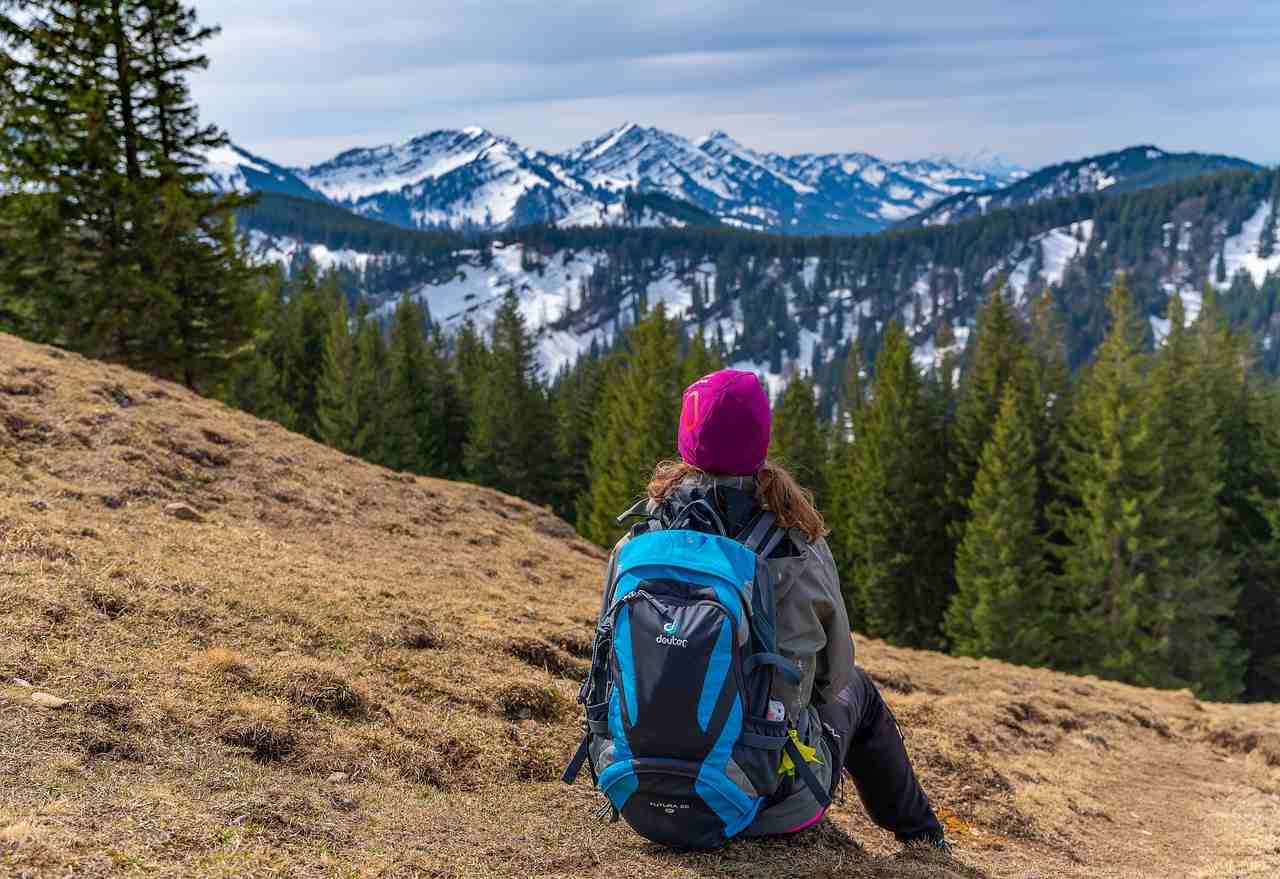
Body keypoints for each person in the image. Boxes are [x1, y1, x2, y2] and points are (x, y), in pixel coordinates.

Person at [625, 368, 948, 848]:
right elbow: (832, 678)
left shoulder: (639, 539)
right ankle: (924, 838)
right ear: (760, 438)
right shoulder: (796, 546)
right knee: (858, 690)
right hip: (765, 801)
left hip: (639, 792)